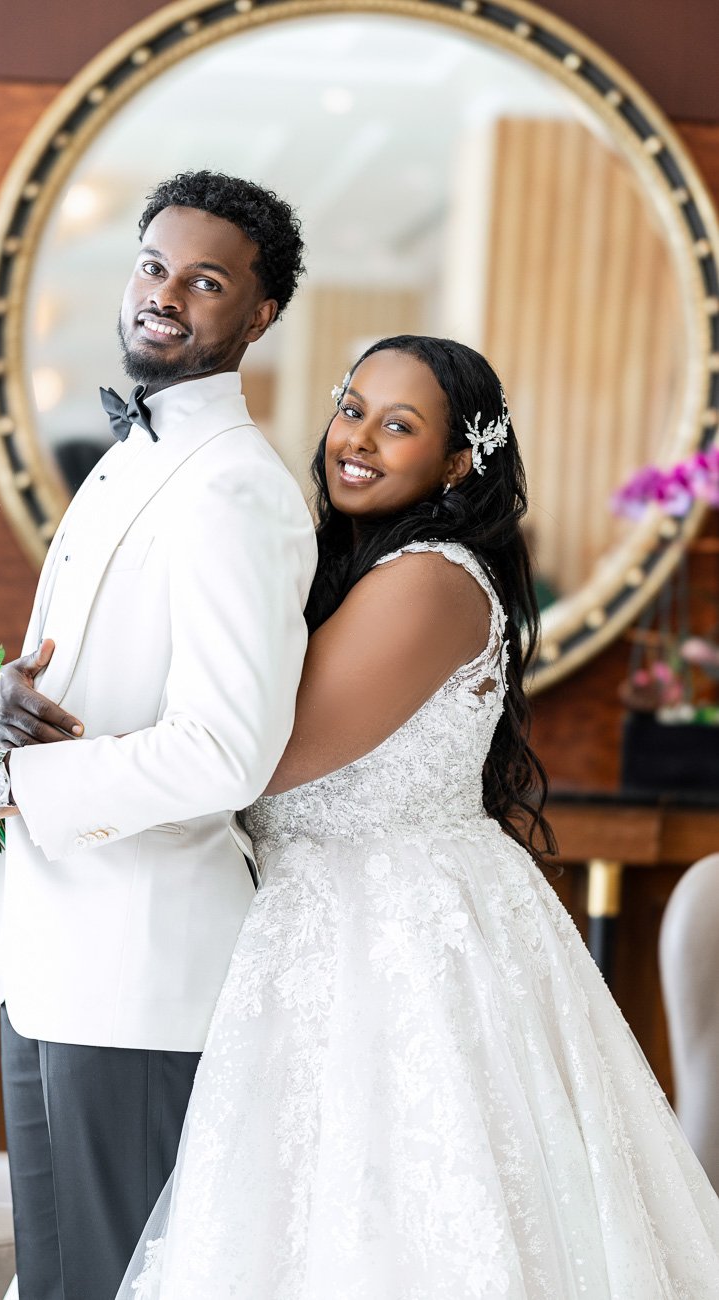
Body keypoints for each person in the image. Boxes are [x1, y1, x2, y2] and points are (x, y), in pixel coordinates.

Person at [119, 336, 719, 1299]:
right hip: (315, 920)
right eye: (351, 408)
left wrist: (88, 746)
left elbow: (264, 758)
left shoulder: (430, 578)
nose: (357, 437)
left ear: (457, 461)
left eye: (398, 425)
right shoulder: (349, 562)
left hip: (395, 935)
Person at [0, 170, 317, 1300]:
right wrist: (4, 701)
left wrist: (2, 788)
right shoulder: (127, 459)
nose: (166, 295)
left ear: (259, 314)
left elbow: (225, 752)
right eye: (154, 265)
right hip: (47, 952)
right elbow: (89, 671)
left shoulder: (237, 488)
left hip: (144, 976)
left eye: (206, 280)